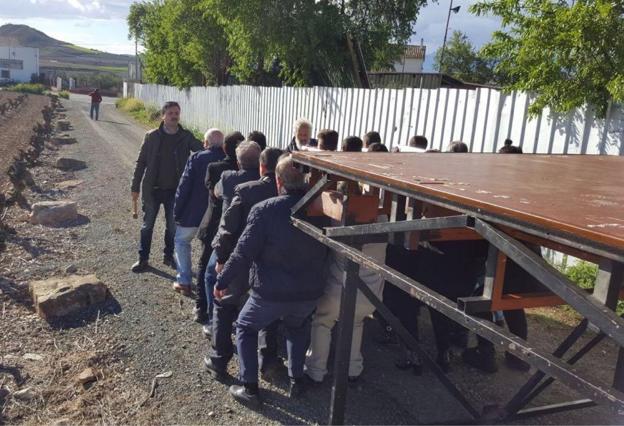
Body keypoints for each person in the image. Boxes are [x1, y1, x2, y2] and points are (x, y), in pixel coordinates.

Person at [217, 156, 328, 406]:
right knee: (297, 329)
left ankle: (250, 387)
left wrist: (222, 280)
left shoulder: (265, 210)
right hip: (308, 292)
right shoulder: (320, 211)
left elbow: (242, 252)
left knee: (245, 326)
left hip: (270, 293)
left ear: (278, 181)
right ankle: (297, 380)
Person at [204, 147, 283, 380]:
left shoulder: (245, 191)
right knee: (269, 312)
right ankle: (267, 359)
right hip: (271, 262)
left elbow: (227, 228)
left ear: (262, 167)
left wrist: (220, 258)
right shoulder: (290, 194)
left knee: (224, 303)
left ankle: (220, 359)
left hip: (243, 258)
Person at [305, 173, 388, 383]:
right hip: (370, 294)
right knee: (356, 323)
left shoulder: (337, 221)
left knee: (323, 323)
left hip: (338, 289)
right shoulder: (384, 221)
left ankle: (316, 370)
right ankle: (353, 369)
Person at [130, 101, 203, 273]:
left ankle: (168, 256)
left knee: (172, 227)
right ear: (163, 116)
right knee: (147, 226)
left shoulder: (186, 137)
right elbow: (141, 162)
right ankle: (143, 259)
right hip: (152, 189)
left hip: (175, 191)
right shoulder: (152, 136)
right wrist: (135, 186)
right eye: (170, 113)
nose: (174, 116)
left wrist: (218, 149)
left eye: (177, 112)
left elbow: (201, 150)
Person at [202, 140, 261, 334]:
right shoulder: (265, 182)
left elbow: (217, 194)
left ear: (238, 162)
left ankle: (213, 322)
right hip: (256, 243)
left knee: (211, 275)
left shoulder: (228, 178)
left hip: (230, 241)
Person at [195, 132, 245, 323]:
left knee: (206, 268)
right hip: (236, 230)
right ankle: (229, 309)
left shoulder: (216, 169)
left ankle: (203, 309)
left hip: (215, 226)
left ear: (225, 148)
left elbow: (212, 192)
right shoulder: (249, 172)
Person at [171, 128, 225, 296]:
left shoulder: (196, 158)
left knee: (181, 241)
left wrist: (177, 210)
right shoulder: (227, 160)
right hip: (215, 216)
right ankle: (213, 284)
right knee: (209, 250)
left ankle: (184, 281)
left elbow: (184, 186)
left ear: (205, 143)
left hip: (192, 213)